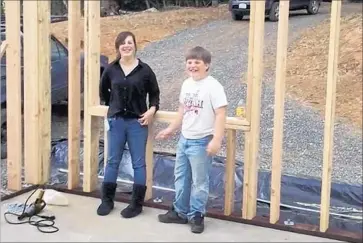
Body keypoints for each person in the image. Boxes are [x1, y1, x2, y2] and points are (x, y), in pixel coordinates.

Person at [155, 46, 228, 233]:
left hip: (202, 141)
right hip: (184, 139)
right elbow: (182, 110)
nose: (193, 65)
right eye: (190, 62)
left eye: (197, 62)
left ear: (207, 65)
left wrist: (217, 139)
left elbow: (221, 114)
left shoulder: (213, 86)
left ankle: (197, 215)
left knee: (199, 182)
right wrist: (171, 129)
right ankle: (179, 212)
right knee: (181, 177)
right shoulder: (187, 84)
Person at [97, 31, 160, 219]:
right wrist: (113, 107)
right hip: (116, 122)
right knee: (112, 161)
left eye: (129, 42)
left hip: (137, 123)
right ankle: (107, 200)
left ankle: (136, 204)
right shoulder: (111, 69)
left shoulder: (145, 70)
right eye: (122, 43)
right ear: (118, 47)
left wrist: (151, 110)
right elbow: (104, 92)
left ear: (135, 45)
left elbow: (155, 94)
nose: (126, 46)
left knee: (138, 163)